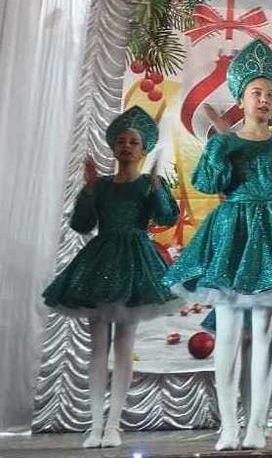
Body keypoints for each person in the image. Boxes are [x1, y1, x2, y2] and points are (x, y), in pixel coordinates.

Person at [163, 39, 272, 450]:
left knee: (265, 334)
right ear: (241, 98)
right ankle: (229, 426)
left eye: (270, 94)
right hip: (232, 234)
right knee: (229, 335)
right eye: (256, 92)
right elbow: (207, 182)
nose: (264, 100)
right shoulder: (226, 143)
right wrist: (217, 143)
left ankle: (257, 426)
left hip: (271, 236)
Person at [43, 106, 179, 448]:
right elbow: (81, 225)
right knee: (97, 346)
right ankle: (94, 425)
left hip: (135, 262)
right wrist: (89, 191)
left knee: (124, 345)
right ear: (113, 148)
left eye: (133, 142)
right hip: (101, 261)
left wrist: (158, 188)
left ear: (143, 149)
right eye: (121, 141)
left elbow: (167, 218)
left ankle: (114, 425)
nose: (126, 146)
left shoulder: (147, 184)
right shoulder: (101, 185)